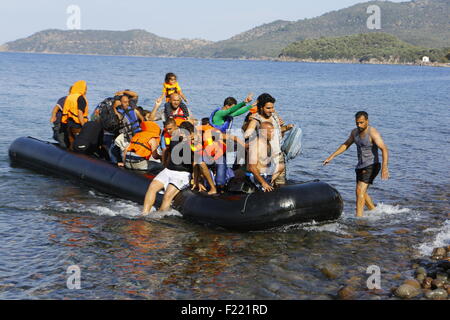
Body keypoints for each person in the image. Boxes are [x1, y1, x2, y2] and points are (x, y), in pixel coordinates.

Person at [323, 111, 390, 217]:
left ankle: (359, 219)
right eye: (357, 123)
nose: (359, 125)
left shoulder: (373, 132)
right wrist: (331, 156)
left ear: (367, 121)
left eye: (361, 123)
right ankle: (375, 211)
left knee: (359, 191)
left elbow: (384, 149)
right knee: (362, 192)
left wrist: (385, 168)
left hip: (372, 165)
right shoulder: (354, 132)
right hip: (360, 166)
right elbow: (346, 144)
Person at [142, 122, 196, 215]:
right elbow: (168, 153)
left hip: (182, 174)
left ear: (191, 134)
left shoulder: (195, 145)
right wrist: (164, 165)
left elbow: (196, 164)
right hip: (169, 170)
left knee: (167, 196)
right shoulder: (174, 140)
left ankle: (158, 217)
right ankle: (144, 213)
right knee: (152, 187)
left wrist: (196, 180)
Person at [244, 93, 293, 185]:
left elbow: (278, 135)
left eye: (272, 107)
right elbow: (248, 133)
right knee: (267, 186)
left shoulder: (275, 116)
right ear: (261, 107)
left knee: (280, 184)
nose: (271, 110)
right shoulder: (255, 119)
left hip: (278, 155)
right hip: (265, 159)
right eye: (268, 108)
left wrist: (285, 128)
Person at [247, 122, 284, 192]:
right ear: (263, 133)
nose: (273, 134)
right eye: (271, 132)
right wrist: (263, 183)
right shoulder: (256, 145)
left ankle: (271, 180)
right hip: (255, 175)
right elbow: (252, 167)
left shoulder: (267, 142)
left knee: (281, 166)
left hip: (266, 171)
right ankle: (261, 185)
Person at [61, 80, 89, 150]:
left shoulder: (70, 96)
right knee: (81, 144)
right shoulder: (80, 98)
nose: (86, 91)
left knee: (71, 143)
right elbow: (80, 113)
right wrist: (84, 126)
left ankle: (70, 155)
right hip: (77, 125)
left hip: (69, 123)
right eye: (85, 89)